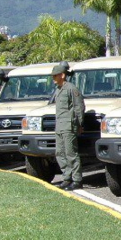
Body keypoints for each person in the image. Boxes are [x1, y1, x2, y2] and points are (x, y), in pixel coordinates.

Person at [51, 62, 84, 191]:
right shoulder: (58, 90)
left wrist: (80, 124)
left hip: (69, 125)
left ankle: (77, 180)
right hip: (59, 125)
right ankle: (67, 177)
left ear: (62, 75)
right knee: (59, 153)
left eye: (55, 75)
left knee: (71, 153)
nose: (53, 78)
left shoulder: (71, 88)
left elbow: (79, 107)